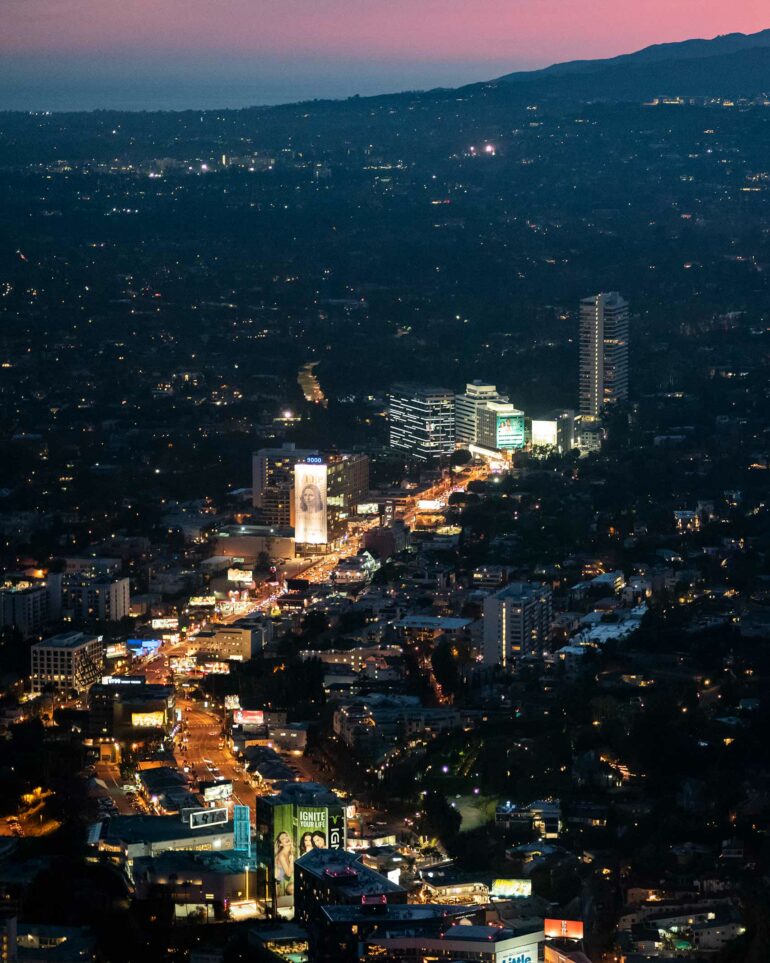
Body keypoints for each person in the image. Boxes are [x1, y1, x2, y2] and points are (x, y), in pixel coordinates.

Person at [274, 831, 295, 896]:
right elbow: (288, 874)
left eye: (286, 836)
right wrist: (291, 860)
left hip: (281, 885)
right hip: (275, 887)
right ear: (281, 844)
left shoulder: (289, 853)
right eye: (283, 838)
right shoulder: (281, 855)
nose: (286, 838)